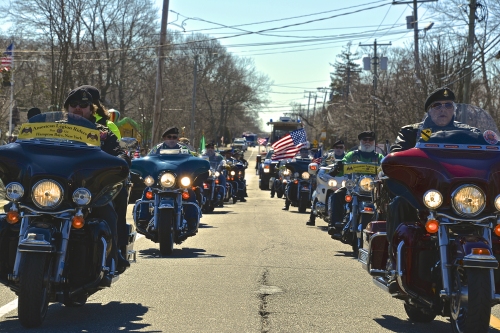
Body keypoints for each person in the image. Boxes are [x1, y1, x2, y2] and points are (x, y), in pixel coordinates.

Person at [385, 87, 481, 252]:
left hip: (463, 195)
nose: (443, 109)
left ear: (454, 110)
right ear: (429, 111)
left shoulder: (469, 133)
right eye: (437, 105)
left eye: (448, 105)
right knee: (400, 203)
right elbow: (396, 154)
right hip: (424, 193)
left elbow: (489, 153)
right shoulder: (413, 132)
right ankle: (394, 257)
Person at [63, 88, 131, 273]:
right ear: (66, 108)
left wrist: (121, 159)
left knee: (107, 210)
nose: (78, 108)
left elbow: (118, 151)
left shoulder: (103, 133)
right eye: (73, 104)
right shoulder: (54, 129)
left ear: (91, 109)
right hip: (57, 188)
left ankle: (114, 254)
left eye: (83, 105)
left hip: (89, 190)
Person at [326, 131, 384, 234]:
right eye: (364, 140)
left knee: (388, 200)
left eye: (370, 140)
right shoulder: (351, 155)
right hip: (353, 187)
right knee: (336, 195)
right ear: (360, 141)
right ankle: (335, 225)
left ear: (374, 142)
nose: (367, 142)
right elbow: (343, 163)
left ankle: (385, 227)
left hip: (373, 188)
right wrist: (338, 167)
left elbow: (386, 166)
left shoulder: (379, 157)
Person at [306, 141, 346, 226]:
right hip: (329, 178)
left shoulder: (347, 157)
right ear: (334, 148)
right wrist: (320, 171)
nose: (339, 149)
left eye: (341, 147)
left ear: (344, 148)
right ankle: (312, 218)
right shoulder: (328, 156)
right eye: (337, 147)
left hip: (342, 180)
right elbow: (322, 166)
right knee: (318, 192)